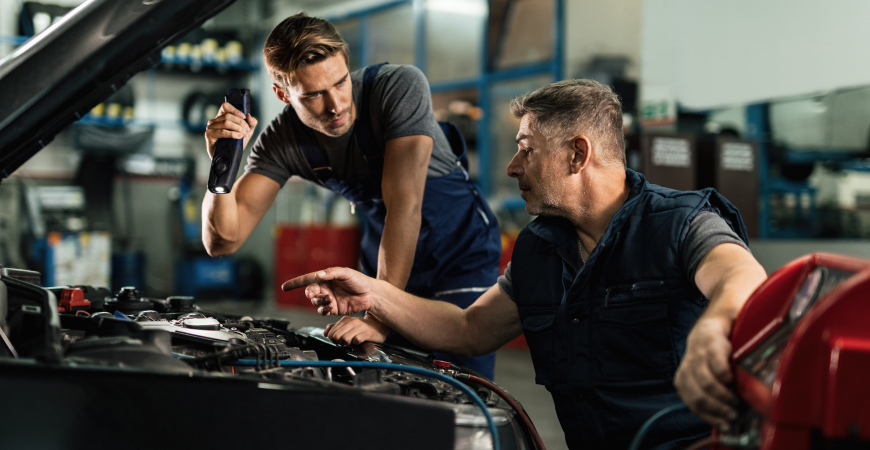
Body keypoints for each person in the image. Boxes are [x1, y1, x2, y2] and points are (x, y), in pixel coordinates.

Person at [282, 79, 769, 449]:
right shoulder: (540, 248)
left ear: (578, 153)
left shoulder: (678, 222)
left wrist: (716, 325)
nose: (513, 167)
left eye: (525, 149)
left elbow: (740, 275)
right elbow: (471, 328)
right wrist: (375, 294)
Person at [201, 13, 501, 379]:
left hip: (458, 255)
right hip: (385, 264)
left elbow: (404, 206)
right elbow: (223, 241)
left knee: (461, 384)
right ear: (282, 94)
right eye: (312, 95)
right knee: (390, 383)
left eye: (340, 82)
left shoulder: (397, 88)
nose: (335, 105)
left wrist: (378, 314)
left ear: (347, 65)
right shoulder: (282, 141)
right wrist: (222, 164)